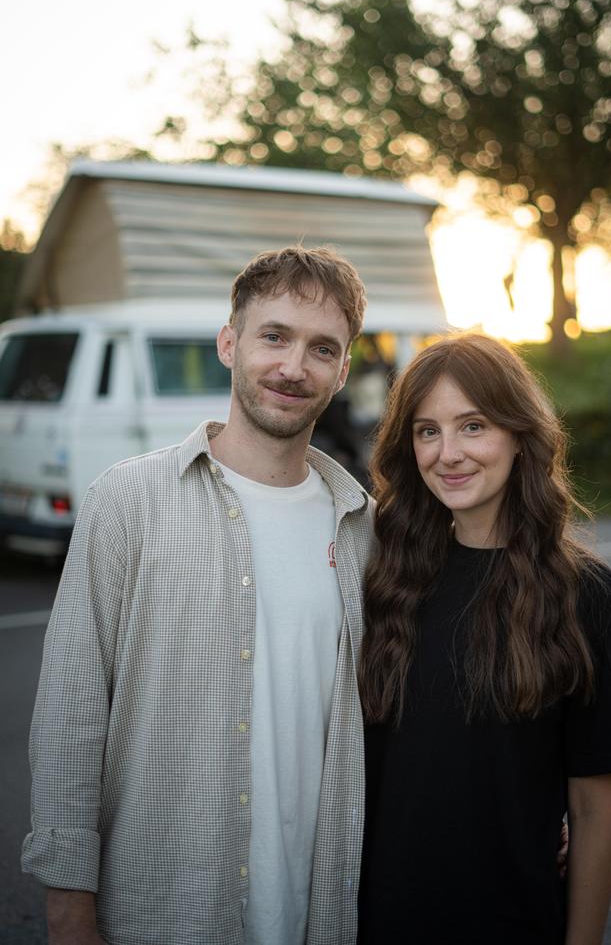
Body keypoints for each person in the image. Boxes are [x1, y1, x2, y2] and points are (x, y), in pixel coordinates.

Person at [22, 246, 373, 945]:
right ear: (229, 342)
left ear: (342, 370)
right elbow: (72, 708)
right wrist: (69, 911)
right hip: (164, 908)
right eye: (274, 336)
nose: (293, 367)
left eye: (321, 348)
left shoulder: (364, 525)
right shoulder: (128, 499)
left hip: (320, 913)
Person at [358, 334, 611, 945]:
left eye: (473, 426)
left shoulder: (587, 595)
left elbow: (595, 810)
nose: (448, 454)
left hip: (515, 922)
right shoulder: (386, 578)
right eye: (427, 430)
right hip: (380, 921)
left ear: (520, 435)